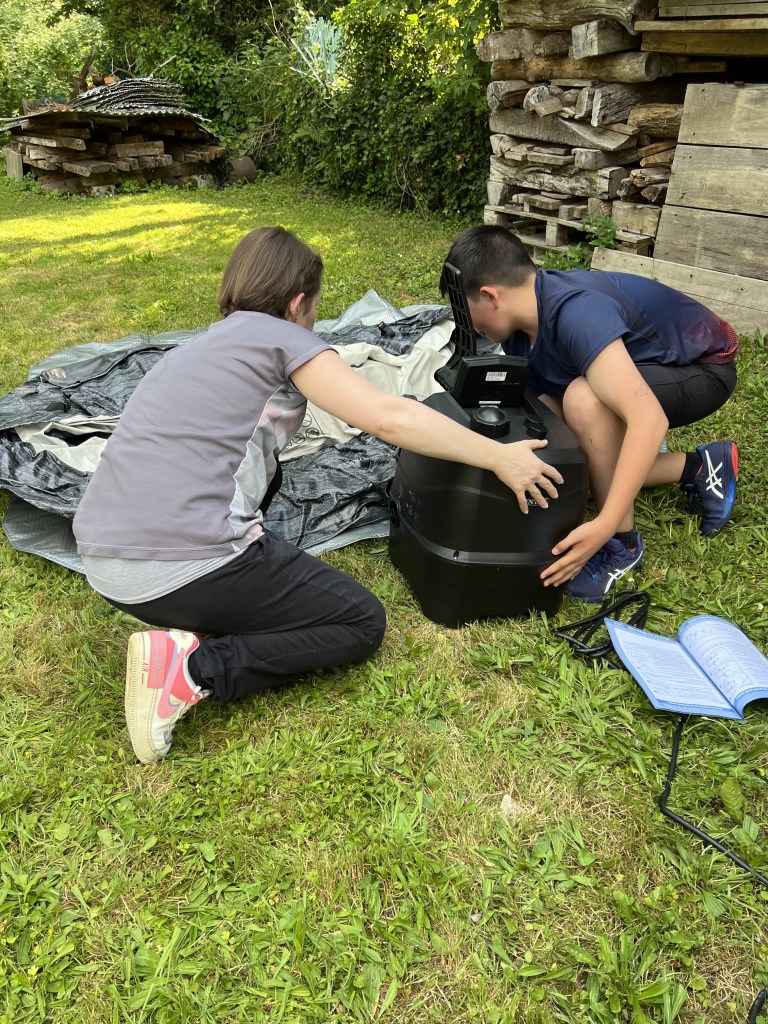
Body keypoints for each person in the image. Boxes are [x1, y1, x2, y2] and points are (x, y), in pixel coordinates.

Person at [73, 226, 563, 764]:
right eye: (314, 310)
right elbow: (388, 417)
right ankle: (190, 670)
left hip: (106, 561)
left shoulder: (198, 349)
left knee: (267, 500)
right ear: (297, 303)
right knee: (358, 621)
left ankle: (204, 620)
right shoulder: (284, 339)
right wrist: (499, 456)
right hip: (178, 562)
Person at [440, 225, 739, 603]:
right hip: (643, 371)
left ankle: (622, 544)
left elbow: (648, 419)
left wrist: (605, 523)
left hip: (701, 369)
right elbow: (548, 420)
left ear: (490, 296)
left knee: (583, 400)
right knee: (561, 433)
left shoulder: (576, 313)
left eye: (466, 311)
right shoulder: (519, 330)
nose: (469, 325)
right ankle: (700, 466)